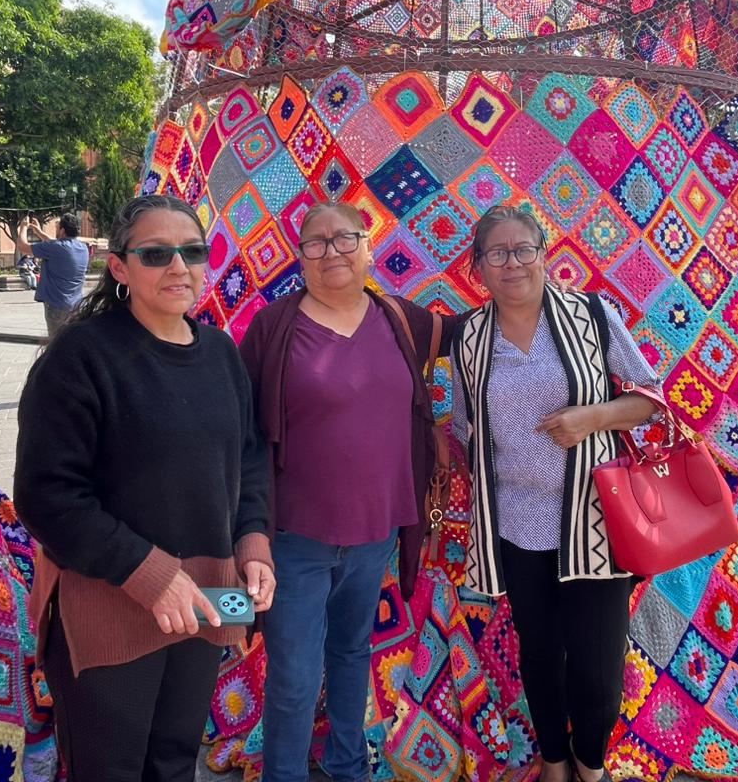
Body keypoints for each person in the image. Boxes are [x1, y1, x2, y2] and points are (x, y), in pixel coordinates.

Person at [13, 194, 275, 782]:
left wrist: (253, 543)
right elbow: (47, 495)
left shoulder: (221, 353)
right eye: (156, 254)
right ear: (119, 267)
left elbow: (249, 459)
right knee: (110, 768)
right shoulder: (80, 357)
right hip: (109, 605)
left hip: (208, 598)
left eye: (192, 251)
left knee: (176, 758)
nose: (179, 266)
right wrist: (151, 575)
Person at [450, 204, 662, 782]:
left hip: (594, 521)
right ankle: (554, 762)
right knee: (540, 654)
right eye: (497, 253)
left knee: (597, 667)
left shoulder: (591, 315)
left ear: (545, 255)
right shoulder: (469, 337)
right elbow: (466, 427)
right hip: (518, 526)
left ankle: (590, 766)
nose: (512, 263)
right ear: (479, 267)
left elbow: (650, 398)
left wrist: (593, 417)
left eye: (524, 249)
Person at [238, 200, 447, 782]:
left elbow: (475, 334)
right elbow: (239, 425)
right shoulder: (274, 327)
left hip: (377, 532)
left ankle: (347, 765)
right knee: (295, 675)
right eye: (316, 241)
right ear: (300, 256)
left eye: (345, 238)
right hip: (293, 540)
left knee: (353, 653)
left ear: (369, 247)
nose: (332, 250)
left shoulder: (399, 318)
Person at [14, 212, 90, 337]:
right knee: (72, 341)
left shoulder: (57, 248)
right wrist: (38, 231)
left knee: (56, 342)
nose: (56, 229)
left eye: (57, 227)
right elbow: (54, 243)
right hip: (76, 305)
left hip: (57, 305)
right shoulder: (82, 248)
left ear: (62, 230)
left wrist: (23, 227)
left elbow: (22, 246)